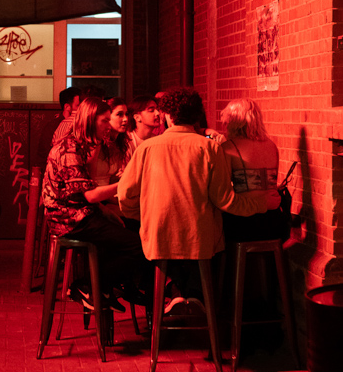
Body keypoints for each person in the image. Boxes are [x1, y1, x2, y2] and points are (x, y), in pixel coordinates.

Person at [117, 86, 281, 313]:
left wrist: (143, 216)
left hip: (158, 238)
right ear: (196, 116)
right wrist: (262, 203)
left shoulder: (146, 148)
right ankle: (196, 300)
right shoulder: (210, 148)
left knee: (167, 250)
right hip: (199, 240)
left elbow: (125, 195)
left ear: (168, 116)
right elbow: (225, 201)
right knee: (205, 244)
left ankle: (176, 295)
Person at [42, 96, 146, 310]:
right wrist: (127, 183)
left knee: (135, 230)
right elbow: (89, 195)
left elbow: (86, 194)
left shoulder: (87, 145)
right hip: (68, 219)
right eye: (105, 120)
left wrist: (106, 211)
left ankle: (106, 289)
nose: (109, 125)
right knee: (139, 245)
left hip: (82, 213)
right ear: (90, 120)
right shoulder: (70, 148)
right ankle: (88, 286)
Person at [218, 98, 288, 242]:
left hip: (245, 223)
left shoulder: (229, 148)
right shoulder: (271, 145)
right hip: (274, 219)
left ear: (234, 121)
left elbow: (223, 192)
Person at [34, 86, 80, 168]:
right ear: (67, 107)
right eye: (78, 106)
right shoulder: (53, 127)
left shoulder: (79, 125)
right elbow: (44, 156)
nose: (81, 109)